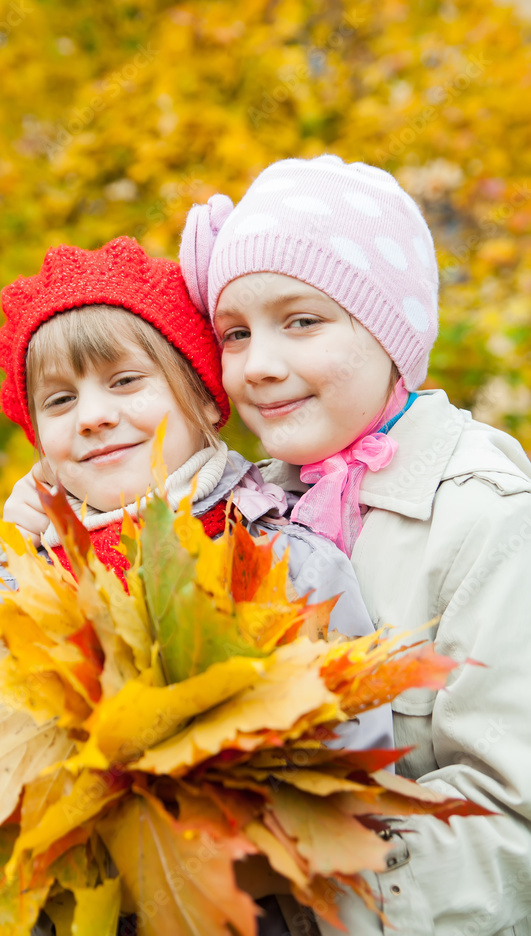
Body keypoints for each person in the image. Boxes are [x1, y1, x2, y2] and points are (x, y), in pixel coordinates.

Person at [0, 234, 393, 936]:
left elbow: (355, 766)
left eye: (125, 381)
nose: (94, 415)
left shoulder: (280, 558)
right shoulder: (15, 576)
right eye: (60, 399)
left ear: (201, 397)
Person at [179, 154, 531, 936]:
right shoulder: (242, 509)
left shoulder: (486, 520)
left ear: (388, 331)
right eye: (234, 334)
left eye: (301, 321)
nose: (260, 367)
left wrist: (287, 877)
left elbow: (513, 824)